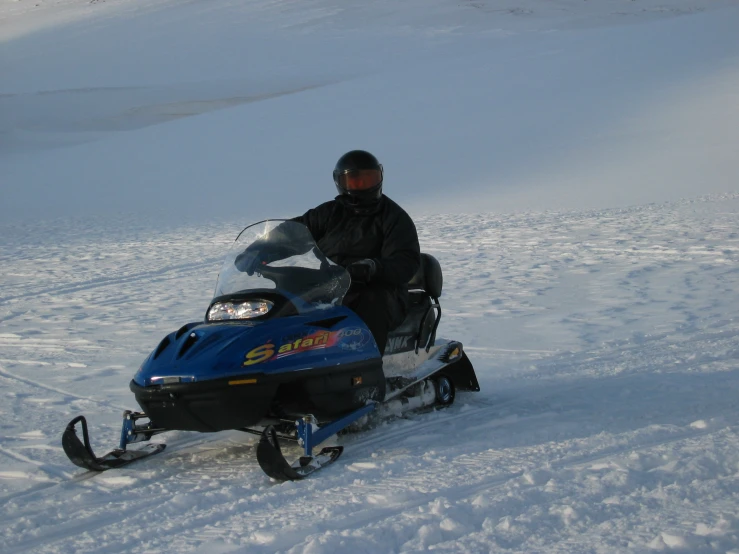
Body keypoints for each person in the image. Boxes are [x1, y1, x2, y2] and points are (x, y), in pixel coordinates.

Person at [238, 150, 420, 355]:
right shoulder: (329, 213)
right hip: (334, 284)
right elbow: (294, 233)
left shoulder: (394, 218)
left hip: (382, 290)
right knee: (286, 300)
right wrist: (257, 251)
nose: (362, 186)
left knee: (371, 302)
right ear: (340, 182)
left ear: (380, 177)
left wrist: (374, 267)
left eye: (369, 179)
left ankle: (366, 369)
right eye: (354, 181)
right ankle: (273, 358)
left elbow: (406, 260)